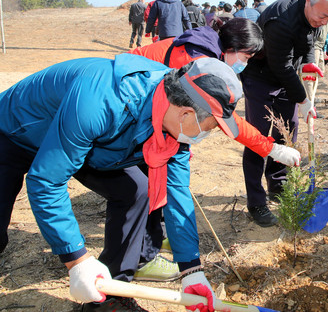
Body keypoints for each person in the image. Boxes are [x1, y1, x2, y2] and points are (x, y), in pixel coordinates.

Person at [0, 55, 243, 311]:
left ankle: (111, 294)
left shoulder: (172, 124)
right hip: (15, 132)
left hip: (87, 143)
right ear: (186, 112)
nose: (206, 134)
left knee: (135, 192)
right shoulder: (103, 101)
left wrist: (191, 269)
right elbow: (46, 180)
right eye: (211, 126)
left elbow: (177, 192)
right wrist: (77, 260)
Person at [240, 0, 328, 226]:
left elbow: (311, 37)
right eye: (322, 15)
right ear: (308, 0)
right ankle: (256, 202)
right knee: (258, 139)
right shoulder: (281, 20)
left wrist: (309, 60)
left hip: (286, 74)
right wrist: (303, 100)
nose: (324, 22)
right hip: (262, 76)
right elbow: (281, 67)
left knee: (287, 131)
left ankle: (279, 186)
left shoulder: (319, 8)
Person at [128, 19, 301, 169]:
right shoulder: (198, 64)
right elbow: (228, 119)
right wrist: (271, 149)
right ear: (232, 47)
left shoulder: (208, 49)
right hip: (129, 100)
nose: (244, 64)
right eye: (246, 57)